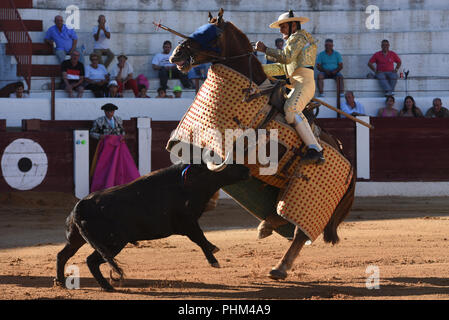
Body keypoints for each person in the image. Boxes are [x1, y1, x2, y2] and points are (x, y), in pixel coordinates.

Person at [256, 10, 324, 164]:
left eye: (283, 27)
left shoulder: (299, 37)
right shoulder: (294, 41)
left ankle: (316, 150)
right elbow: (283, 68)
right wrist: (258, 69)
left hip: (303, 83)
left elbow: (286, 59)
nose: (280, 31)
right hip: (296, 82)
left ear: (294, 25)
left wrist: (265, 49)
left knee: (291, 110)